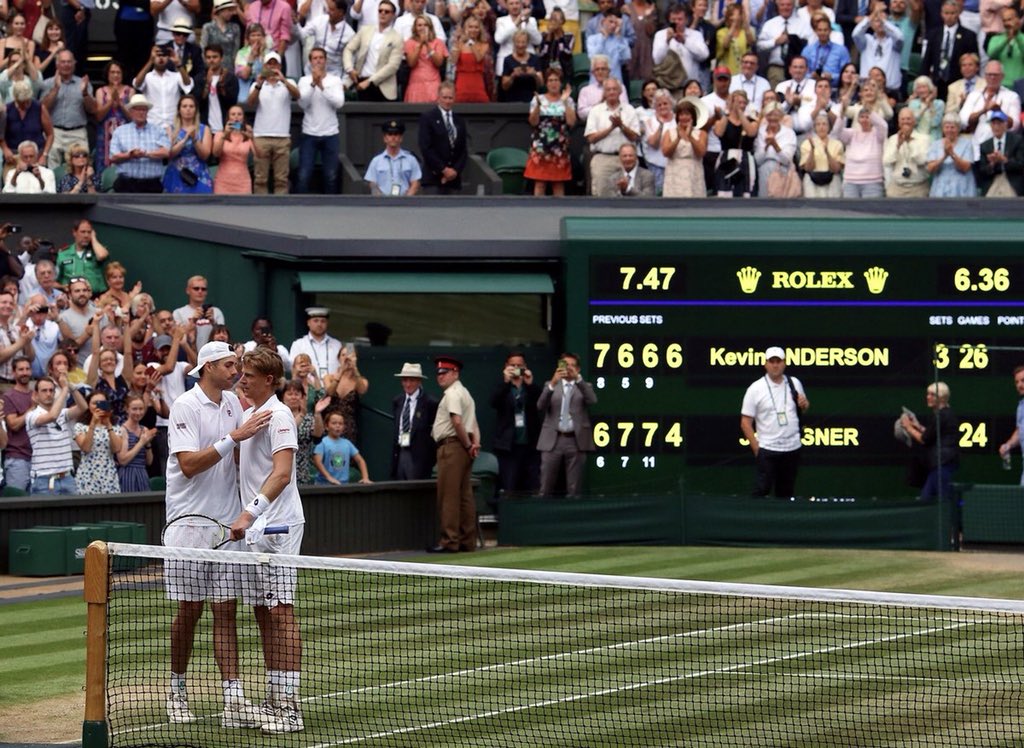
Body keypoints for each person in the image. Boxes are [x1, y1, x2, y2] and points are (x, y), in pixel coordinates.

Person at [162, 340, 272, 727]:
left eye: (237, 364)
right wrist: (235, 438)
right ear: (208, 367)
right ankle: (176, 692)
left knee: (225, 612)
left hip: (226, 526)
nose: (236, 370)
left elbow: (238, 453)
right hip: (188, 525)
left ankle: (233, 700)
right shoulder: (185, 406)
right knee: (189, 612)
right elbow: (190, 465)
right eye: (230, 364)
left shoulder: (232, 403)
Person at [227, 347, 306, 734]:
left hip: (279, 528)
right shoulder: (248, 416)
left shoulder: (280, 416)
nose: (243, 379)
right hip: (256, 530)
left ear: (269, 381)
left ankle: (291, 708)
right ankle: (275, 697)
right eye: (242, 373)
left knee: (281, 612)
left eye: (250, 375)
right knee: (261, 611)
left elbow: (282, 473)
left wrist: (249, 513)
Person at [740, 346, 809, 499]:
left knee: (785, 492)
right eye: (772, 361)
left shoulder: (794, 383)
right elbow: (745, 422)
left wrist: (804, 405)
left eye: (779, 361)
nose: (775, 365)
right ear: (765, 364)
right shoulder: (755, 389)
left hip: (792, 449)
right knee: (762, 490)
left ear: (784, 363)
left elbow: (803, 408)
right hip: (768, 449)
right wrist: (757, 449)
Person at [428, 355, 479, 553]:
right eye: (438, 373)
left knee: (448, 496)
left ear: (455, 373)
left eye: (445, 373)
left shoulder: (453, 394)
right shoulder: (465, 393)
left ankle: (450, 541)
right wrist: (474, 444)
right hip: (463, 447)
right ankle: (467, 540)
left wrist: (467, 445)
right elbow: (473, 424)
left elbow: (457, 421)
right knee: (464, 496)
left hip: (452, 447)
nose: (440, 376)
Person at [536, 352, 596, 497]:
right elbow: (540, 405)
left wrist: (578, 379)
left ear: (578, 369)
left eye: (572, 365)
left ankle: (573, 516)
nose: (568, 368)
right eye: (565, 364)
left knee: (574, 487)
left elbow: (592, 400)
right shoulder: (550, 385)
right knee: (545, 484)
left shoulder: (584, 386)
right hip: (553, 439)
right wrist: (552, 383)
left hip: (575, 440)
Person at [247, 51, 299, 195]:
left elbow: (297, 95)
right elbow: (250, 103)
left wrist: (283, 80)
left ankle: (281, 208)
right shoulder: (257, 84)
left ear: (280, 66)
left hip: (282, 136)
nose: (272, 67)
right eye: (269, 64)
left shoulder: (289, 83)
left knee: (281, 179)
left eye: (274, 63)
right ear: (264, 66)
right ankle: (260, 208)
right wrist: (259, 84)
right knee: (260, 178)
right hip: (261, 136)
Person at [26, 374, 88, 495]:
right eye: (44, 391)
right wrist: (64, 389)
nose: (48, 393)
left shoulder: (62, 413)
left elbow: (83, 407)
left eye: (51, 390)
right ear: (36, 395)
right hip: (44, 478)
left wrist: (71, 387)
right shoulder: (31, 415)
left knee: (72, 514)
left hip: (67, 476)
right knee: (45, 515)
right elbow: (52, 416)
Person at [490, 351, 541, 495]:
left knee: (533, 486)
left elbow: (542, 403)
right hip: (508, 447)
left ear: (525, 366)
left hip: (530, 446)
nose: (516, 368)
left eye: (519, 365)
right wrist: (506, 382)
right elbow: (493, 402)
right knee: (509, 486)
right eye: (513, 365)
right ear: (506, 366)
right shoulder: (502, 387)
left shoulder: (530, 388)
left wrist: (530, 384)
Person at [296, 47, 345, 194]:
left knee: (331, 175)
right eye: (315, 58)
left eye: (321, 58)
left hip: (330, 133)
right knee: (304, 174)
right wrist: (313, 84)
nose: (318, 60)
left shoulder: (335, 80)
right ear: (310, 62)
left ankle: (332, 208)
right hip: (309, 133)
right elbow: (302, 104)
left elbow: (339, 103)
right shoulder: (304, 80)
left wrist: (322, 86)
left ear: (325, 60)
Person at [900, 381, 959, 502]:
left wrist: (908, 427)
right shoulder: (945, 415)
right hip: (940, 466)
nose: (928, 397)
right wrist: (917, 426)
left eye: (932, 395)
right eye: (928, 394)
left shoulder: (942, 416)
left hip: (942, 466)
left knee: (943, 504)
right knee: (926, 501)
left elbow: (924, 439)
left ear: (941, 398)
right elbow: (932, 434)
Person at [40, 49, 95, 170]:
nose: (66, 65)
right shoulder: (47, 83)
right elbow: (42, 108)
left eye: (69, 62)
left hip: (78, 133)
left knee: (81, 169)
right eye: (63, 62)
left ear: (74, 64)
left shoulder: (83, 83)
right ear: (57, 64)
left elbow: (92, 110)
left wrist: (85, 93)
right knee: (52, 170)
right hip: (55, 132)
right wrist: (55, 89)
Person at [585, 77, 641, 196]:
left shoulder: (630, 110)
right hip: (602, 159)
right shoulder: (595, 111)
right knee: (602, 194)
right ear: (604, 92)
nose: (611, 92)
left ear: (620, 92)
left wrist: (621, 126)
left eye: (614, 89)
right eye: (608, 89)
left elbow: (635, 137)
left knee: (630, 194)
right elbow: (591, 138)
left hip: (627, 160)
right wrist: (611, 127)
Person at [524, 67, 576, 196]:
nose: (554, 83)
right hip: (541, 147)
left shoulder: (568, 100)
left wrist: (564, 102)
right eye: (550, 80)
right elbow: (533, 122)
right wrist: (538, 106)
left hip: (559, 148)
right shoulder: (538, 99)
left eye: (556, 80)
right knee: (540, 183)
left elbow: (571, 122)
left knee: (558, 183)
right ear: (546, 83)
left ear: (561, 82)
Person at [109, 93, 171, 193]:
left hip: (152, 185)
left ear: (147, 112)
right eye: (137, 109)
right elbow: (113, 157)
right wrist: (130, 155)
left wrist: (146, 154)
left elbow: (166, 152)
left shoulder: (159, 131)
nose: (141, 112)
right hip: (126, 185)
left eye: (144, 109)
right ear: (131, 111)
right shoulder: (119, 132)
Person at [342, 0, 403, 102]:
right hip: (361, 82)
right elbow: (349, 49)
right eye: (380, 11)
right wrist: (350, 69)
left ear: (393, 15)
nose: (382, 13)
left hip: (383, 87)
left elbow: (393, 66)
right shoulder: (365, 30)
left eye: (387, 12)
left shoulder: (397, 38)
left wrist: (370, 81)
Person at [923, 0, 979, 102]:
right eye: (946, 13)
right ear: (941, 14)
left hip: (958, 81)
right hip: (937, 81)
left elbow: (974, 60)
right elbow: (927, 60)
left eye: (952, 13)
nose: (949, 16)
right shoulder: (934, 34)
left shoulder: (969, 35)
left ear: (958, 13)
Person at [418, 81, 468, 195]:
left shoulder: (459, 121)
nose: (447, 101)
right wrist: (444, 170)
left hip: (454, 181)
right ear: (438, 97)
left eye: (450, 98)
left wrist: (455, 171)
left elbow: (463, 150)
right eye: (444, 97)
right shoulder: (428, 118)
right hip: (433, 179)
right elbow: (426, 147)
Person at [390, 362, 437, 480]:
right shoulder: (397, 401)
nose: (408, 384)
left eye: (412, 380)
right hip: (400, 452)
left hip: (419, 457)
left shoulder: (430, 403)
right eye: (405, 380)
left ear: (419, 381)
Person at [73, 391, 124, 495]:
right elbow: (86, 448)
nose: (98, 406)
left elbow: (117, 449)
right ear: (89, 405)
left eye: (102, 403)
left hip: (108, 473)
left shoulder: (116, 428)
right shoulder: (80, 427)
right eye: (95, 403)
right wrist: (92, 424)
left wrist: (108, 424)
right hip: (87, 474)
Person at [133, 45, 194, 130]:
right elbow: (137, 84)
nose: (161, 58)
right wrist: (150, 61)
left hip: (174, 125)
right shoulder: (147, 77)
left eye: (164, 55)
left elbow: (188, 84)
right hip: (152, 124)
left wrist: (178, 64)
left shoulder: (176, 76)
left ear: (168, 58)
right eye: (158, 55)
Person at [832, 104, 887, 198]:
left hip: (872, 182)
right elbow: (836, 132)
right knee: (851, 212)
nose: (865, 119)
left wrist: (871, 111)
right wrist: (842, 113)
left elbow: (883, 125)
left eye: (867, 117)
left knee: (871, 212)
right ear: (858, 120)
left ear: (872, 119)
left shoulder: (878, 135)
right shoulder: (851, 133)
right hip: (850, 182)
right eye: (862, 117)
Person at [162, 94, 213, 193]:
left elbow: (205, 155)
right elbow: (169, 154)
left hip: (199, 176)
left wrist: (195, 139)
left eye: (191, 106)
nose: (188, 109)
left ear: (196, 110)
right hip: (176, 174)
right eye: (184, 106)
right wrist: (184, 139)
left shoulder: (204, 129)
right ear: (179, 110)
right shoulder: (170, 129)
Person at [755, 0, 809, 87]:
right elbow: (759, 45)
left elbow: (808, 46)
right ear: (778, 6)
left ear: (793, 6)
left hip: (797, 70)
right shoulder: (770, 24)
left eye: (788, 5)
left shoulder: (803, 25)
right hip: (776, 68)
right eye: (782, 5)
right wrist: (775, 42)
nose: (785, 7)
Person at [282, 379, 326, 484]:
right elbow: (289, 432)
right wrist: (301, 414)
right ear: (283, 397)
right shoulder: (279, 416)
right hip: (281, 472)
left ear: (303, 397)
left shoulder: (308, 418)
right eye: (289, 394)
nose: (293, 397)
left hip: (301, 474)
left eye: (297, 394)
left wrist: (317, 413)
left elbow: (318, 435)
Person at [322, 342, 368, 443]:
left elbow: (362, 390)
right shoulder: (329, 377)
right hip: (330, 427)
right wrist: (341, 371)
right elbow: (330, 392)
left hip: (349, 429)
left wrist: (355, 369)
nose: (346, 358)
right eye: (343, 355)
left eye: (350, 355)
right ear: (338, 358)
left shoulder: (359, 380)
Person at [662, 97, 708, 197]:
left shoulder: (701, 134)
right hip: (674, 173)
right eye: (681, 114)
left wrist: (690, 135)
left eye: (687, 114)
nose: (684, 117)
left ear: (693, 116)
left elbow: (701, 152)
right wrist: (678, 138)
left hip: (694, 172)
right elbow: (665, 152)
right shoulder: (669, 133)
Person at [364, 119, 422, 196]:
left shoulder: (411, 159)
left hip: (405, 202)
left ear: (401, 138)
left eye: (396, 134)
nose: (393, 137)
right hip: (382, 203)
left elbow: (415, 182)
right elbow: (372, 183)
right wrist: (380, 199)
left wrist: (408, 198)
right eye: (390, 134)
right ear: (384, 138)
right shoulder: (376, 161)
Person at [213, 104, 262, 194]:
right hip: (223, 181)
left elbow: (259, 155)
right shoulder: (220, 134)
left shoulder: (247, 135)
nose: (236, 117)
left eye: (239, 114)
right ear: (228, 117)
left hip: (243, 181)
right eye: (233, 114)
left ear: (243, 118)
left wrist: (252, 138)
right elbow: (216, 153)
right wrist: (225, 135)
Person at [883, 107, 931, 197]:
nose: (906, 121)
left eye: (908, 119)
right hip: (897, 188)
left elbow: (922, 161)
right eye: (903, 119)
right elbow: (886, 161)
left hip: (918, 188)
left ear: (914, 121)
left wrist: (909, 141)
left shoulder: (924, 139)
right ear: (899, 122)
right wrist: (897, 146)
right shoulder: (893, 139)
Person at [927, 112, 978, 196]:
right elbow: (930, 169)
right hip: (940, 189)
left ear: (958, 129)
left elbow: (965, 167)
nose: (949, 130)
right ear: (943, 129)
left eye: (952, 127)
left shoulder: (967, 144)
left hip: (962, 188)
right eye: (947, 127)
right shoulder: (935, 145)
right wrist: (944, 157)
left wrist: (952, 154)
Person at [3, 356, 34, 490]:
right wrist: (33, 409)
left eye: (27, 369)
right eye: (21, 369)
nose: (25, 372)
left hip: (38, 458)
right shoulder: (8, 397)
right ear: (13, 373)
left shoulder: (36, 394)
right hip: (17, 458)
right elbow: (14, 425)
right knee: (16, 502)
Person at [975, 109, 1024, 195]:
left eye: (999, 123)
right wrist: (992, 164)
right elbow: (982, 171)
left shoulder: (1017, 141)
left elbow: (1021, 164)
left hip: (1011, 180)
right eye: (993, 123)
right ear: (990, 125)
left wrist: (1004, 160)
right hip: (992, 181)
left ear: (1005, 125)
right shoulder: (985, 145)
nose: (996, 126)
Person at [313, 410, 370, 484]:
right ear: (326, 426)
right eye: (334, 423)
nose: (338, 426)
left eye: (340, 423)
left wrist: (365, 477)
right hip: (324, 485)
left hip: (343, 485)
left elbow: (360, 460)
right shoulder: (322, 442)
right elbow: (317, 461)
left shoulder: (347, 443)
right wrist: (329, 478)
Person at [55, 219, 108, 294]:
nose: (86, 235)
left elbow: (102, 255)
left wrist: (93, 238)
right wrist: (62, 287)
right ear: (74, 232)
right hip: (71, 298)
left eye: (89, 232)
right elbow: (54, 282)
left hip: (96, 297)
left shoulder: (96, 250)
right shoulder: (63, 254)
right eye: (83, 232)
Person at [117, 394, 157, 492]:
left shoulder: (144, 429)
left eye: (141, 409)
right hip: (127, 474)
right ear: (127, 409)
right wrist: (141, 442)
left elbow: (149, 461)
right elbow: (123, 460)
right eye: (134, 409)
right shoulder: (122, 430)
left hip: (142, 473)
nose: (138, 412)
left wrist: (147, 444)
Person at [288, 307, 342, 380]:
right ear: (308, 323)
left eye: (323, 321)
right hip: (308, 389)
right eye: (315, 321)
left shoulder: (337, 345)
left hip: (332, 389)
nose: (319, 324)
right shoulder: (299, 345)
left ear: (327, 323)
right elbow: (294, 370)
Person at [403, 15, 447, 103]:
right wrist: (420, 45)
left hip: (433, 84)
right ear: (415, 28)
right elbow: (411, 63)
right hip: (416, 84)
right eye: (419, 25)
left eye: (425, 25)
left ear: (430, 27)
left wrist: (427, 44)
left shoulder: (438, 42)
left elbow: (439, 63)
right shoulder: (409, 43)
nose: (422, 28)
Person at [450, 15, 492, 103]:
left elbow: (478, 58)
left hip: (477, 82)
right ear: (466, 28)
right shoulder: (459, 44)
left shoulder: (484, 45)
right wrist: (457, 43)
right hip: (462, 82)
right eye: (470, 27)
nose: (473, 30)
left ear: (480, 29)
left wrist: (470, 41)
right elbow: (453, 60)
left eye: (476, 27)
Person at [198, 44, 239, 135]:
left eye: (215, 57)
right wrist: (207, 84)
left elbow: (232, 102)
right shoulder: (200, 78)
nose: (211, 60)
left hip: (227, 126)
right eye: (208, 57)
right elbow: (198, 103)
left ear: (221, 58)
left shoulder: (230, 78)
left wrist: (221, 85)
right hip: (206, 128)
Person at [499, 29, 543, 102]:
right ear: (514, 43)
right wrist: (513, 76)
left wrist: (534, 75)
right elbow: (504, 86)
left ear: (527, 43)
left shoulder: (535, 59)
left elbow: (541, 84)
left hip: (531, 99)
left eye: (523, 42)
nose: (520, 45)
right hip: (513, 100)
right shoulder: (508, 60)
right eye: (518, 42)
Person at [998, 366, 1024, 484]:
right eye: (1017, 382)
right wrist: (1008, 445)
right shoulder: (1021, 406)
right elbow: (1020, 431)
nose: (1019, 385)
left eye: (1023, 380)